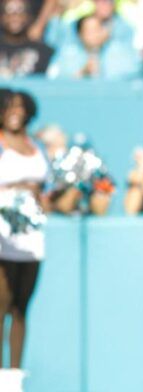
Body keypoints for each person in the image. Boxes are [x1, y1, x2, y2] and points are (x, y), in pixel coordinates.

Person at [0, 90, 48, 373]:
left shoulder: (36, 146)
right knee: (2, 303)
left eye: (20, 106)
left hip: (31, 233)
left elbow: (46, 189)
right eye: (9, 106)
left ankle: (14, 376)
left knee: (21, 305)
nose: (15, 112)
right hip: (3, 232)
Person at [47, 12, 141, 79]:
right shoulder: (68, 55)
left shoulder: (118, 52)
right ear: (80, 35)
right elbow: (55, 78)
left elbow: (132, 77)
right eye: (89, 31)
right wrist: (83, 73)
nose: (94, 35)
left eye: (97, 29)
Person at [0, 0, 54, 77]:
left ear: (28, 17)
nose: (15, 17)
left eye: (20, 11)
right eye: (9, 12)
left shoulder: (44, 51)